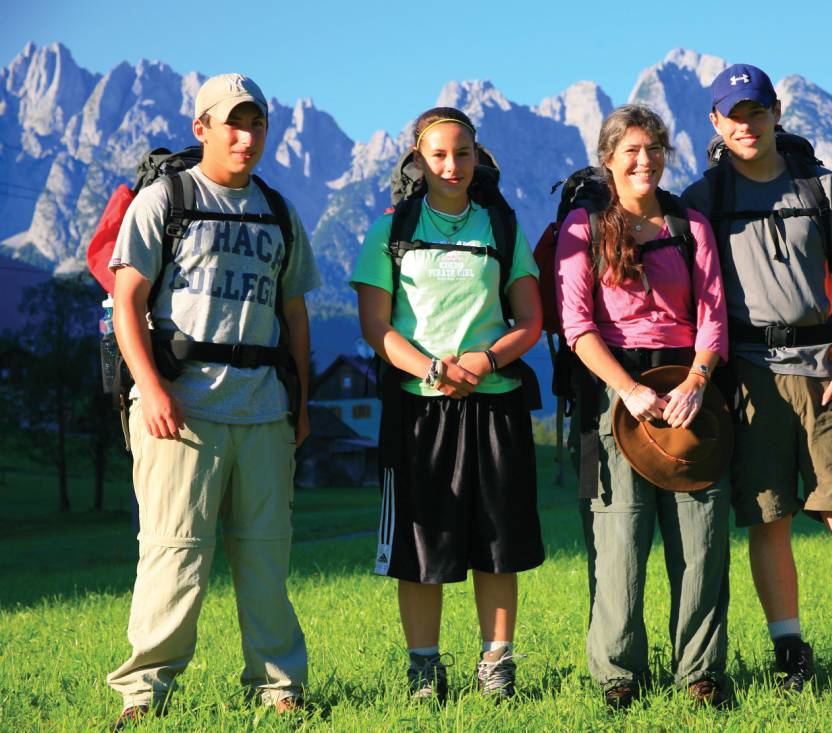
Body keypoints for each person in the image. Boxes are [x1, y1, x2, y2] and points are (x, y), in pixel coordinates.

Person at [681, 63, 832, 695]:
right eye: (733, 114)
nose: (746, 124)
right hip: (749, 376)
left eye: (756, 111)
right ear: (716, 123)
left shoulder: (823, 187)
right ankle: (790, 653)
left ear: (776, 113)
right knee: (767, 517)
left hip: (829, 371)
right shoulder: (705, 200)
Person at [106, 74, 320, 728]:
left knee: (265, 554)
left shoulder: (279, 211)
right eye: (232, 123)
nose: (245, 136)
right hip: (181, 413)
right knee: (174, 553)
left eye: (255, 123)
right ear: (201, 128)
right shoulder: (164, 200)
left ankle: (279, 684)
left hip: (261, 410)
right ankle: (144, 693)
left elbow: (296, 314)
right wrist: (151, 389)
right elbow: (127, 301)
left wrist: (302, 405)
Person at [352, 107, 544, 702]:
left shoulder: (500, 225)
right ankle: (424, 671)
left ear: (477, 155)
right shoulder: (391, 230)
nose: (451, 165)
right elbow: (376, 328)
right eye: (438, 154)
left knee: (497, 544)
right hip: (418, 407)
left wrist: (483, 362)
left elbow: (532, 320)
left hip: (494, 404)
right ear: (417, 157)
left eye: (462, 153)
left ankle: (496, 667)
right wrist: (435, 368)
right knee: (420, 547)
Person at [556, 104, 731, 709]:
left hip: (690, 389)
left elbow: (714, 319)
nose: (644, 160)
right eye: (630, 150)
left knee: (702, 541)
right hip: (615, 393)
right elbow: (576, 325)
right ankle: (617, 676)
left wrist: (698, 383)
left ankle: (701, 674)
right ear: (608, 159)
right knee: (620, 542)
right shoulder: (584, 227)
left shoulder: (690, 225)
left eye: (654, 148)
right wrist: (628, 390)